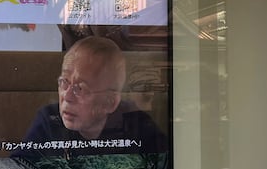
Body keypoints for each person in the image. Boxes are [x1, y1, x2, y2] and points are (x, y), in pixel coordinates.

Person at [13, 36, 167, 159]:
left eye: (80, 88)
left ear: (110, 102)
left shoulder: (138, 126)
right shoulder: (49, 120)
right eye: (64, 82)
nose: (67, 97)